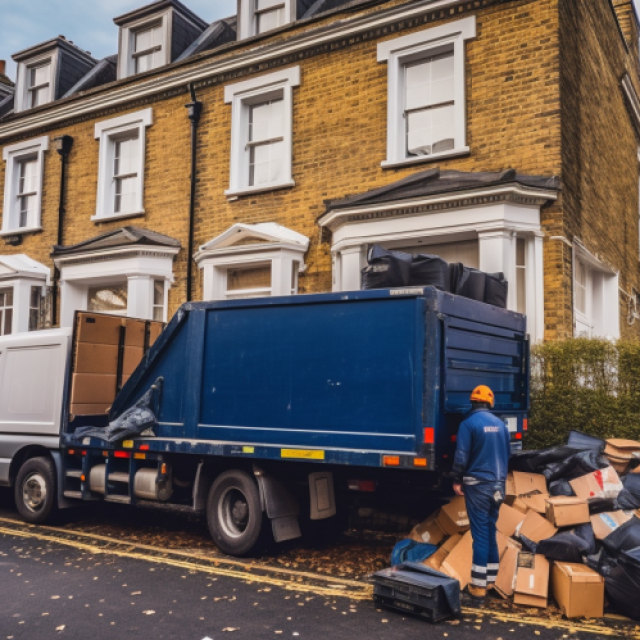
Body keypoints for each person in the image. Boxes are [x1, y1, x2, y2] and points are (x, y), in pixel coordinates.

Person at [451, 385, 510, 605]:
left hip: (478, 486)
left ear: (472, 402)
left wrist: (457, 479)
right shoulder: (501, 425)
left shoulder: (468, 424)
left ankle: (477, 587)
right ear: (490, 402)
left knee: (479, 535)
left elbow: (461, 455)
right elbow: (508, 454)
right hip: (498, 486)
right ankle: (491, 581)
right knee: (490, 530)